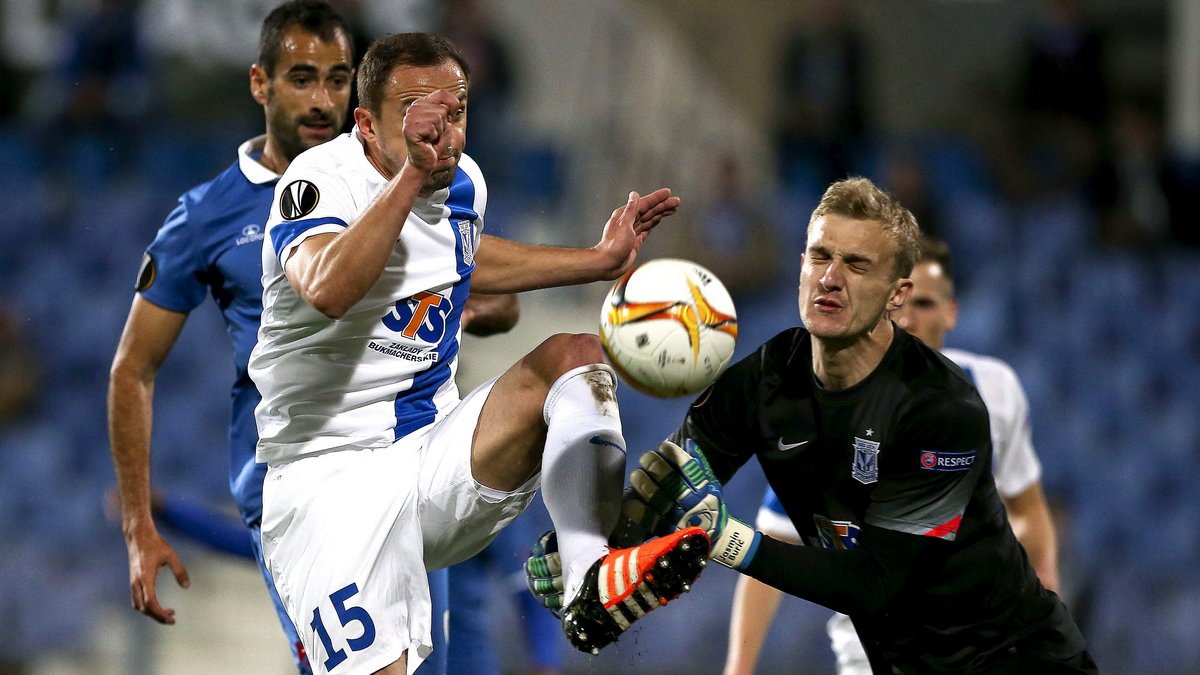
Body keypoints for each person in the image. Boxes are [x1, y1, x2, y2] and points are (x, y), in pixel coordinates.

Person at [248, 31, 707, 674]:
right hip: (327, 483)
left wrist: (595, 262)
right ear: (365, 124)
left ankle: (586, 577)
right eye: (416, 117)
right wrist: (411, 172)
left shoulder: (463, 182)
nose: (441, 134)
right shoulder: (321, 180)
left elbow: (462, 252)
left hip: (433, 457)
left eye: (455, 113)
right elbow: (326, 287)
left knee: (573, 358)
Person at [530, 178, 1096, 673]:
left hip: (1016, 661)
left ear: (898, 295)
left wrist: (729, 541)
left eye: (856, 265)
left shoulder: (939, 410)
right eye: (818, 255)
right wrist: (594, 554)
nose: (830, 277)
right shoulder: (766, 378)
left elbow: (875, 585)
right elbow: (670, 485)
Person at [107, 4, 483, 673]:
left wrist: (481, 305)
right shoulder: (208, 215)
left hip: (404, 464)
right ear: (261, 84)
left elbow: (465, 287)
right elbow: (132, 367)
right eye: (302, 79)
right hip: (300, 483)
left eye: (338, 80)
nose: (322, 100)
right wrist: (140, 525)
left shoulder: (397, 184)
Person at [723, 235, 1063, 675]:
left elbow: (1027, 506)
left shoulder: (996, 390)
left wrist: (1045, 584)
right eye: (897, 301)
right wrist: (739, 667)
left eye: (924, 303)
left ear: (951, 312)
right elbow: (773, 542)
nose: (909, 318)